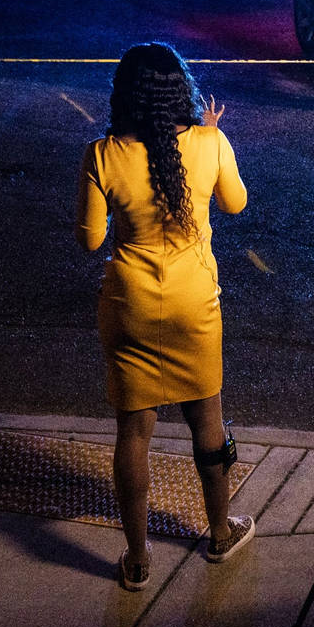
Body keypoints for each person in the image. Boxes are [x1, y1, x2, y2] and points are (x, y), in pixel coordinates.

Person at [79, 43, 255, 591]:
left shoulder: (103, 154)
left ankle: (136, 559)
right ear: (181, 90)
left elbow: (90, 240)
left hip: (129, 304)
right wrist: (209, 134)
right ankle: (221, 532)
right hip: (193, 304)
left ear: (124, 95)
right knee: (207, 422)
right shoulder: (209, 142)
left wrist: (120, 217)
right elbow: (236, 204)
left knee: (134, 431)